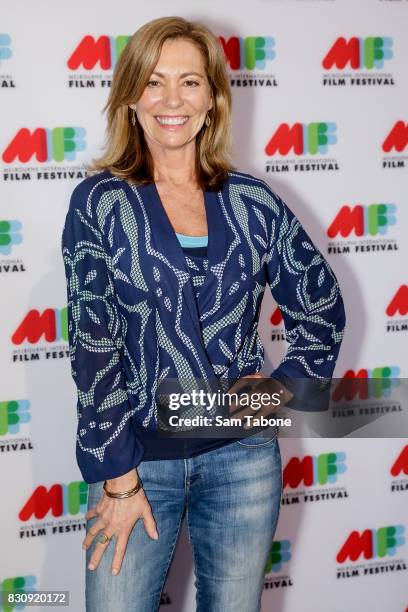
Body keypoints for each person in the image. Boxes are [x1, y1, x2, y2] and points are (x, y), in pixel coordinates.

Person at [61, 16, 346, 612]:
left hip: (242, 463)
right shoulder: (101, 203)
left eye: (190, 82)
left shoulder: (253, 201)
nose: (172, 99)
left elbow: (321, 306)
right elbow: (94, 344)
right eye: (155, 81)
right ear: (130, 97)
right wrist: (118, 478)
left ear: (213, 99)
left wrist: (278, 391)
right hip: (136, 467)